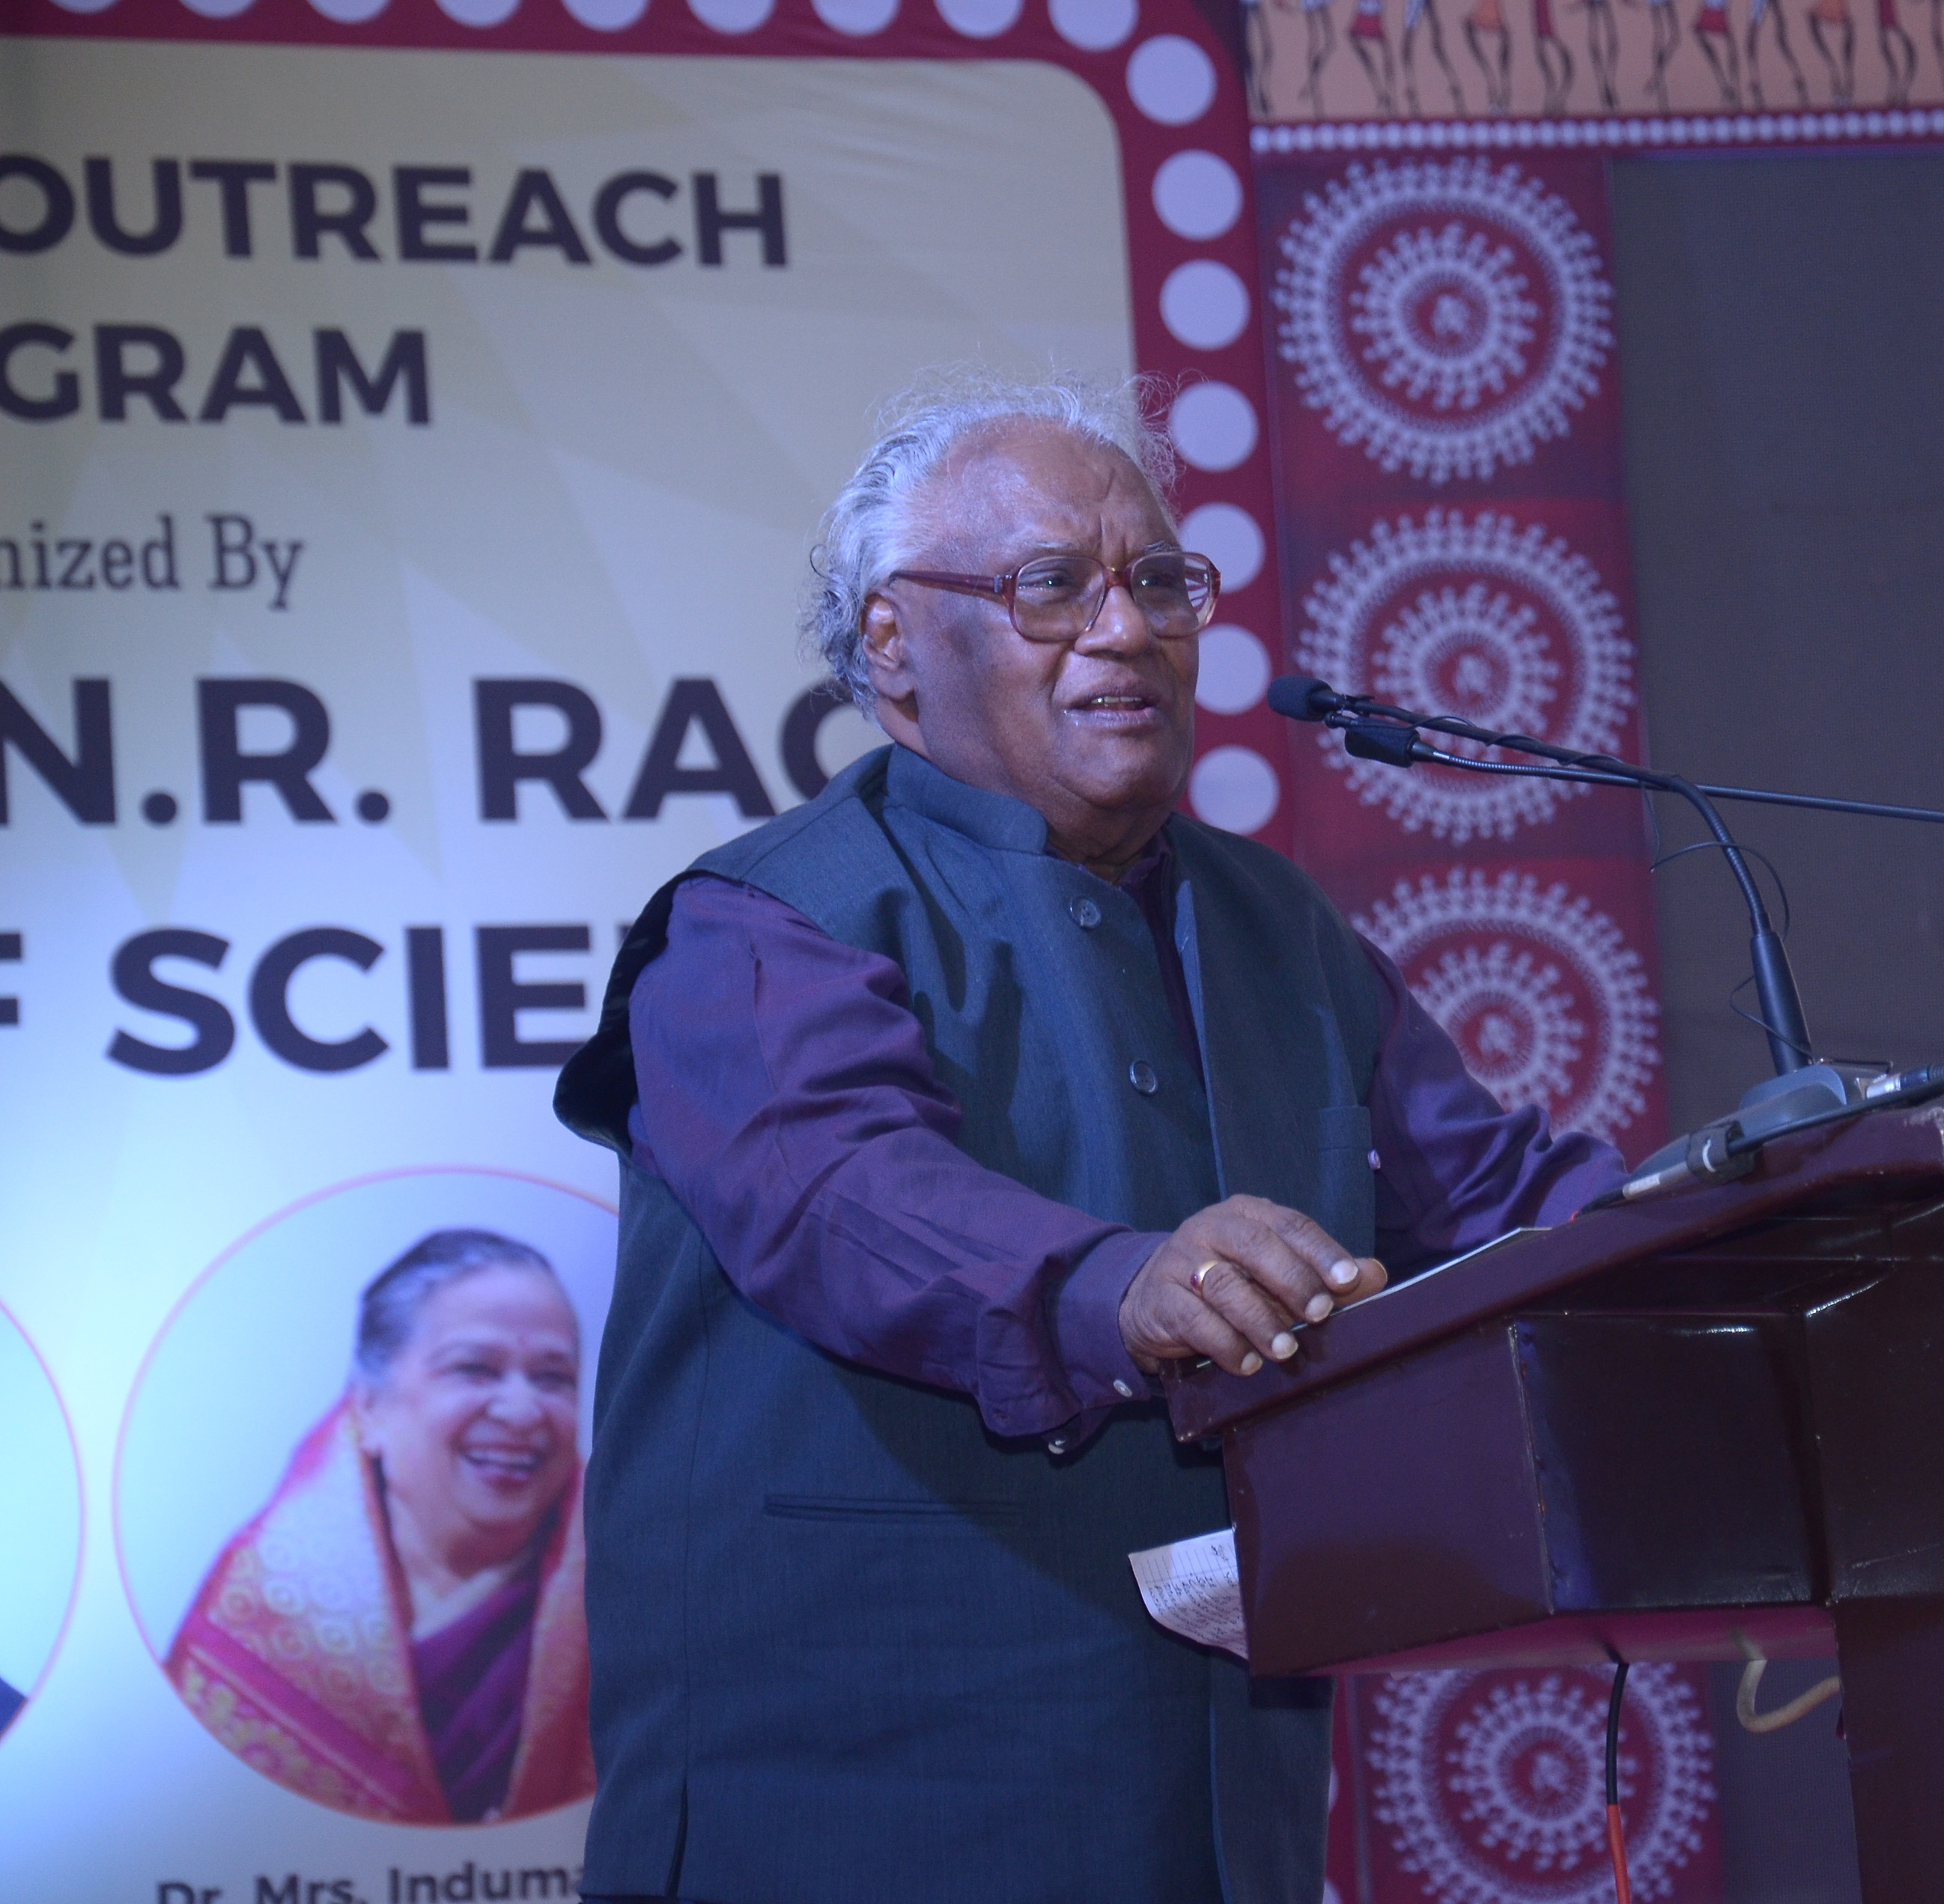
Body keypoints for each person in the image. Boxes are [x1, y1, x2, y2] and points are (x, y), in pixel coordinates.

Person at [553, 371, 1622, 1904]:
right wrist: (1113, 1281)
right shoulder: (764, 921)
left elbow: (1507, 1207)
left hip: (1208, 1801)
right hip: (849, 1801)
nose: (1126, 630)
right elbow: (842, 1191)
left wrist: (1784, 1203)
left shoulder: (1278, 926)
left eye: (1160, 581)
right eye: (1052, 584)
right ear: (891, 643)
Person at [164, 1230, 591, 1823]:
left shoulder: (633, 1598)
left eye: (553, 1378)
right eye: (475, 1368)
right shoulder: (258, 1617)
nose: (523, 1411)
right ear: (369, 1407)